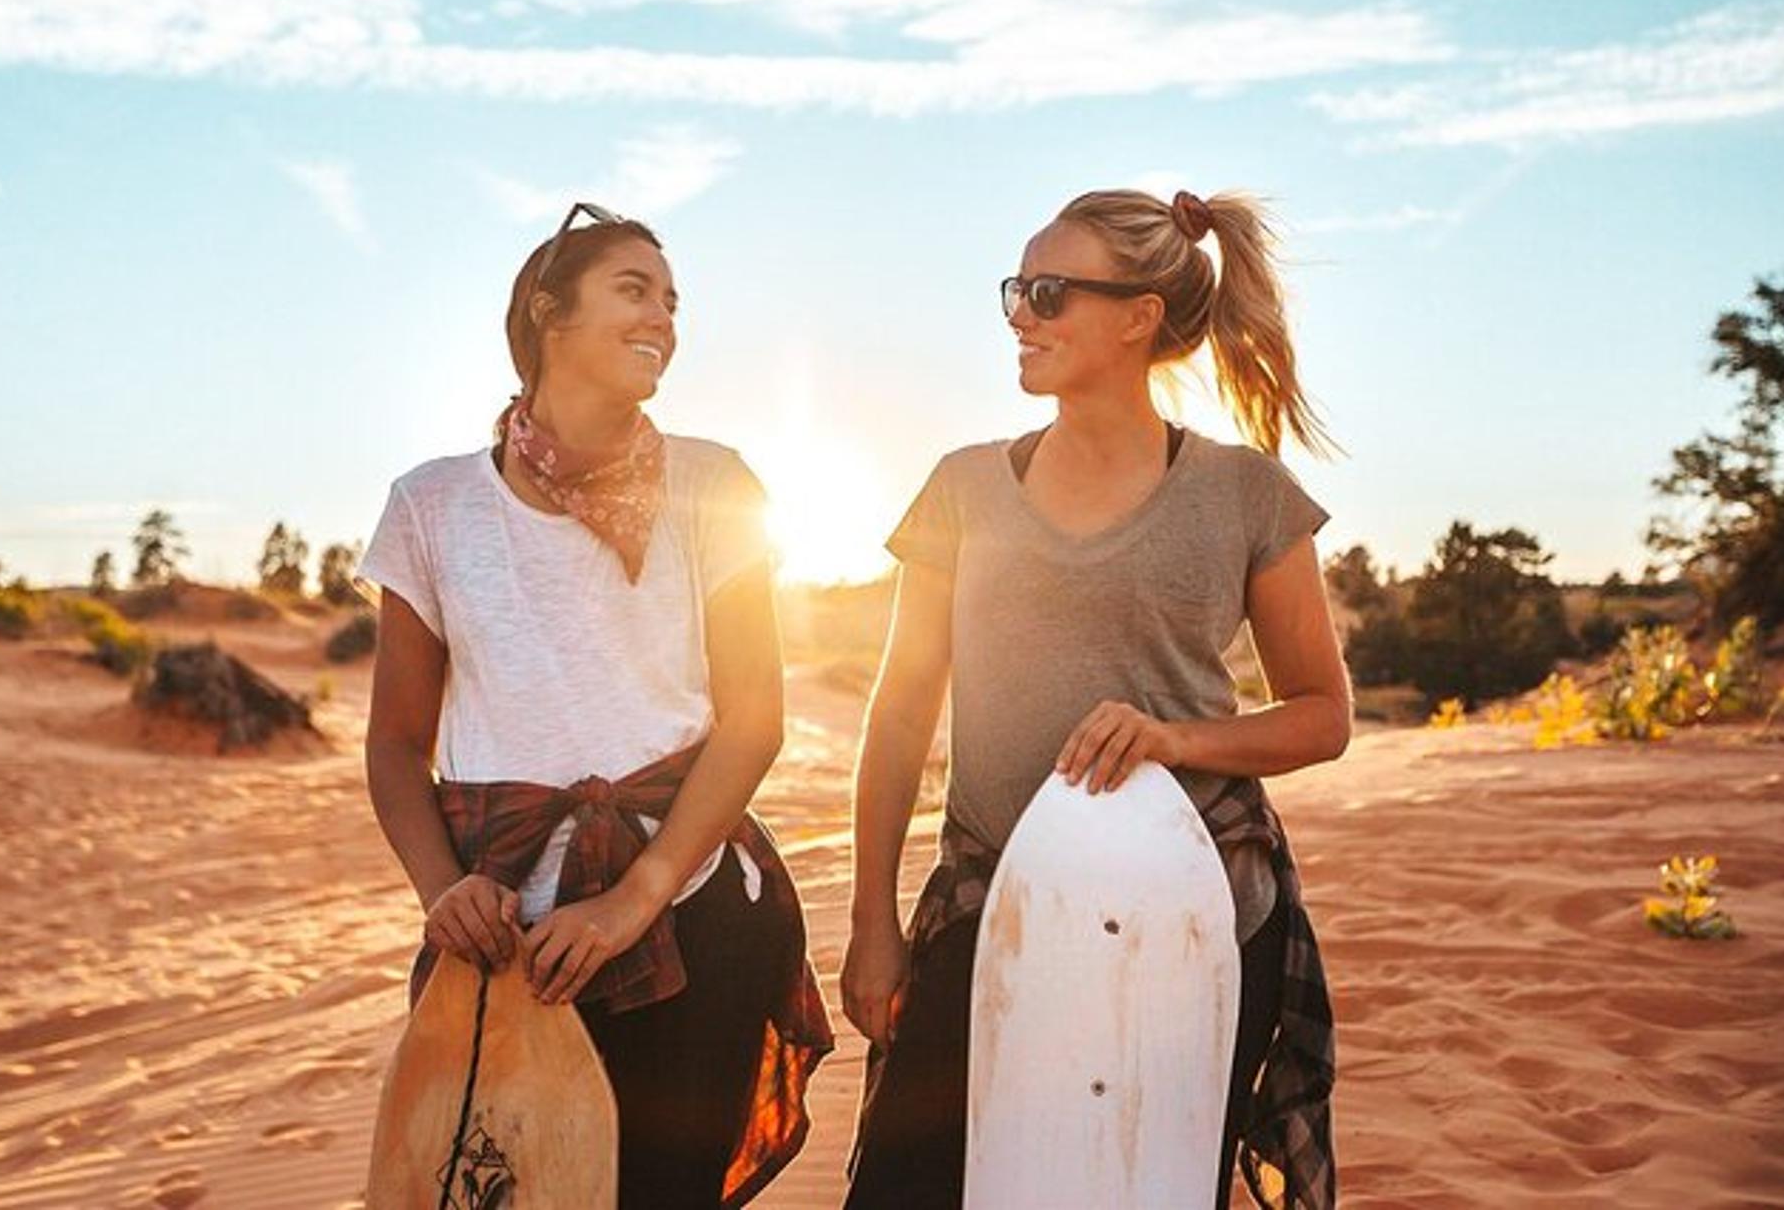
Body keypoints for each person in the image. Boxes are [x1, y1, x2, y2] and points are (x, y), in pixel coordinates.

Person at [842, 187, 1350, 1209]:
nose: (1019, 317)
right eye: (1015, 293)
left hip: (1196, 913)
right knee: (910, 1186)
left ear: (1137, 317)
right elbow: (897, 716)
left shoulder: (1246, 495)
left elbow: (1319, 714)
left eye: (1046, 293)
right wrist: (872, 922)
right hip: (991, 905)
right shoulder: (962, 488)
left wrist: (1170, 739)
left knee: (1146, 1189)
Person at [358, 203, 832, 1209]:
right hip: (496, 939)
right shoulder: (431, 506)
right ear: (547, 312)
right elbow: (397, 744)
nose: (661, 316)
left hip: (689, 913)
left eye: (671, 300)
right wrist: (441, 892)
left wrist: (632, 900)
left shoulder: (714, 484)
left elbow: (753, 720)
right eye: (632, 289)